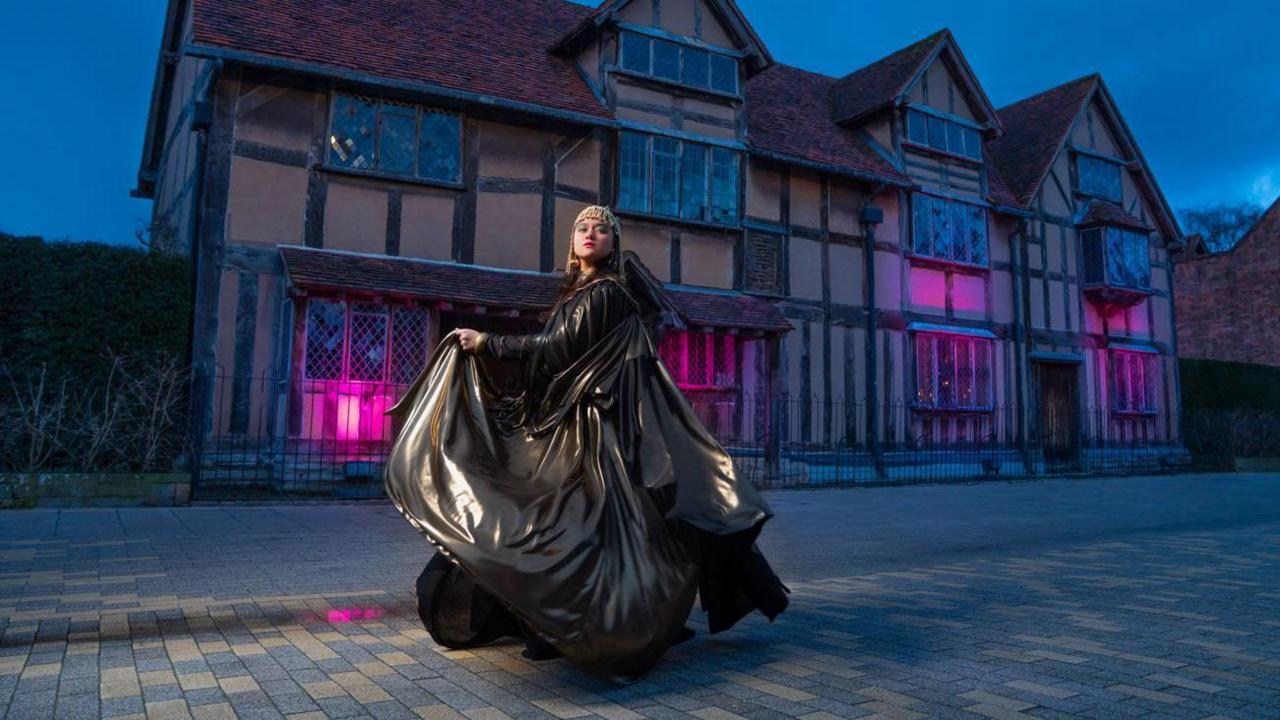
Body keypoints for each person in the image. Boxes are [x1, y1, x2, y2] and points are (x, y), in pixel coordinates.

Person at [383, 204, 788, 683]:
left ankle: (597, 623)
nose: (590, 232)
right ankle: (564, 621)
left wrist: (486, 343)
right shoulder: (582, 293)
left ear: (613, 243)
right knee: (590, 532)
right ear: (571, 243)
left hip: (595, 433)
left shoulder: (605, 292)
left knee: (570, 527)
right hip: (575, 424)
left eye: (601, 228)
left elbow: (555, 351)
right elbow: (559, 358)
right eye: (581, 227)